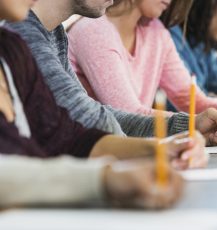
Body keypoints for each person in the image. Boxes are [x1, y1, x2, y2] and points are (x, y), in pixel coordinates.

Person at [0, 0, 183, 209]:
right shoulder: (25, 34)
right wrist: (104, 179)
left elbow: (68, 137)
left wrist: (163, 149)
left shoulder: (13, 47)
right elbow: (91, 123)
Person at [7, 0, 217, 146]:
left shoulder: (53, 33)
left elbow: (98, 116)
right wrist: (172, 140)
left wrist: (191, 125)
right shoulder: (23, 35)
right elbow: (92, 121)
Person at [67, 0, 217, 136]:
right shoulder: (93, 30)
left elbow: (191, 99)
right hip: (103, 154)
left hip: (138, 151)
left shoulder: (156, 31)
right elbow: (129, 115)